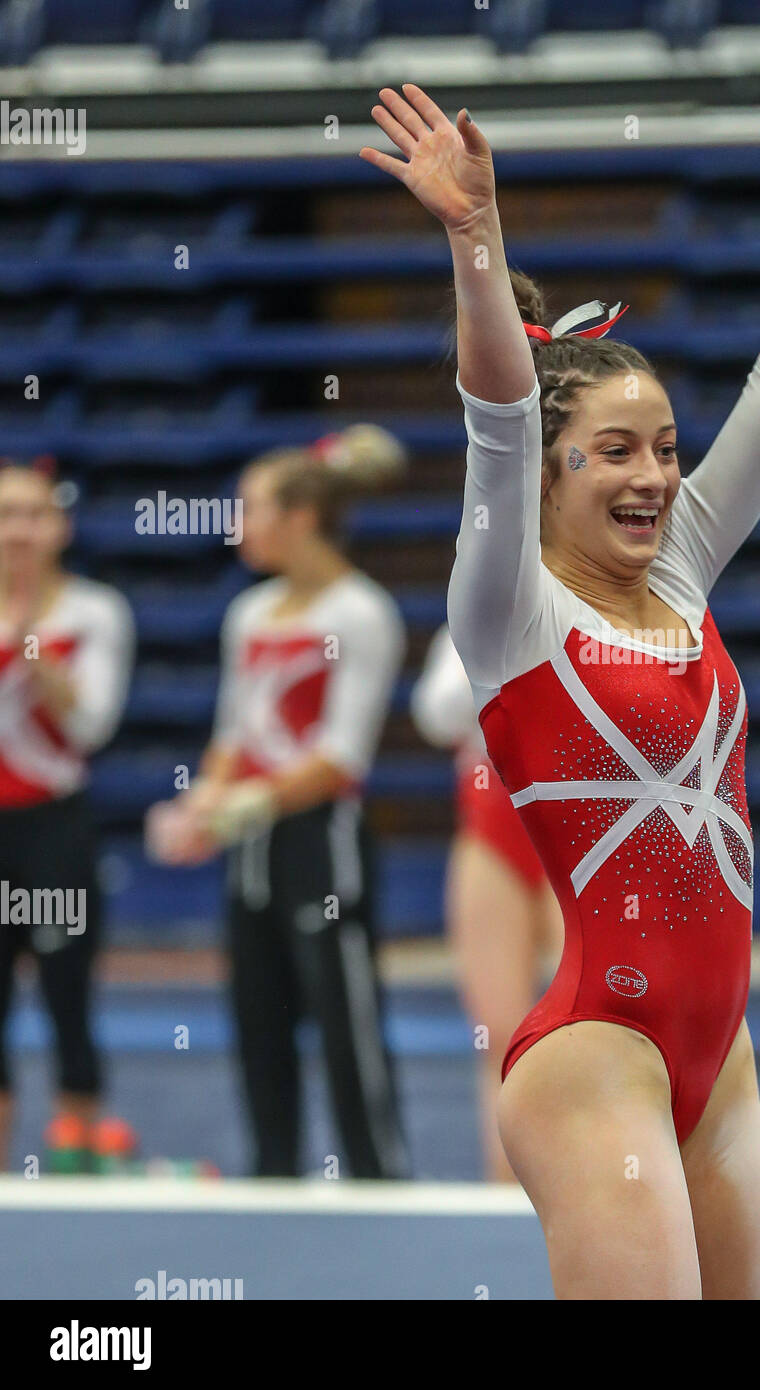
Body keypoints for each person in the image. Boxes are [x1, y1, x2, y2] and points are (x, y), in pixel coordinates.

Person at [361, 36, 760, 1296]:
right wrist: (475, 237)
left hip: (719, 1059)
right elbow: (498, 417)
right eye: (613, 452)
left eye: (664, 446)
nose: (653, 475)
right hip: (594, 1053)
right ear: (550, 474)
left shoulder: (682, 569)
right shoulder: (510, 610)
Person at [146, 426, 410, 1180]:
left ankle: (377, 1173)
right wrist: (200, 803)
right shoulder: (250, 613)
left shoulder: (360, 612)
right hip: (254, 842)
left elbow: (341, 756)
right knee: (257, 1015)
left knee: (343, 1018)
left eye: (252, 508)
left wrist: (241, 805)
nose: (238, 525)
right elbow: (233, 733)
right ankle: (272, 1172)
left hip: (321, 841)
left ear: (300, 518)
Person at [0, 459, 134, 1172]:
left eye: (33, 514)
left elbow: (91, 727)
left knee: (67, 992)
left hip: (53, 827)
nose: (18, 530)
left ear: (61, 526)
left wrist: (30, 644)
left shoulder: (94, 612)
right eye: (5, 514)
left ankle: (74, 1163)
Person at [412, 625, 562, 1181]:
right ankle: (506, 1189)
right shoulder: (470, 622)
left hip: (580, 830)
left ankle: (598, 1184)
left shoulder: (594, 614)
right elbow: (437, 713)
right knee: (500, 1032)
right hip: (494, 828)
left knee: (601, 1028)